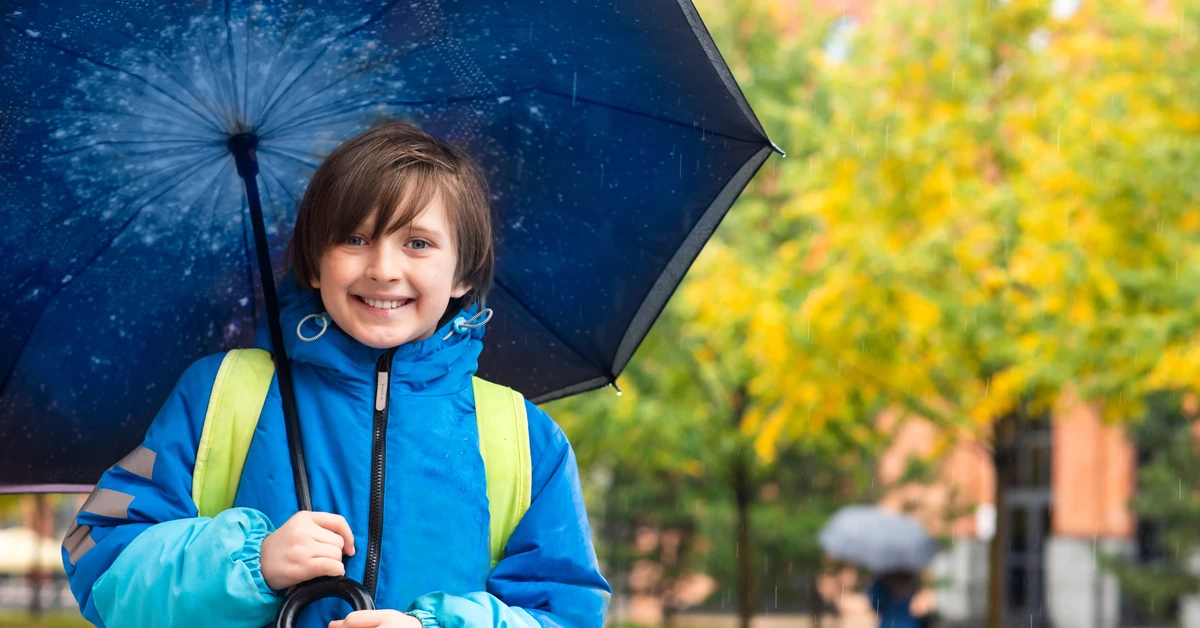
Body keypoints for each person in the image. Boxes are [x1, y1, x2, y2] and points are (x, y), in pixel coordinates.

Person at [60, 121, 610, 628]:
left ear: (464, 270)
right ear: (313, 262)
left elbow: (565, 614)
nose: (383, 269)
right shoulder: (220, 394)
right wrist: (251, 563)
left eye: (417, 243)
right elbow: (101, 561)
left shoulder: (524, 439)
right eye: (354, 238)